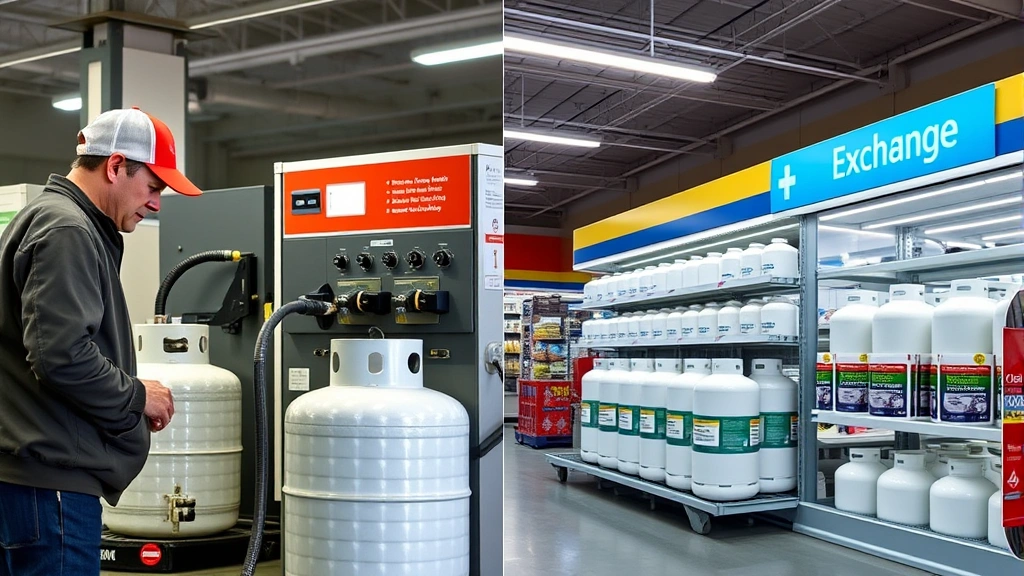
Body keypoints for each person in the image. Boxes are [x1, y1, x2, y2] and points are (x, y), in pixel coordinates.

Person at [0, 107, 203, 576]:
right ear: (115, 166)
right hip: (51, 489)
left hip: (33, 484)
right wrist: (137, 396)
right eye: (153, 187)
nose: (157, 204)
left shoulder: (53, 220)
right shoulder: (67, 229)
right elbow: (62, 355)